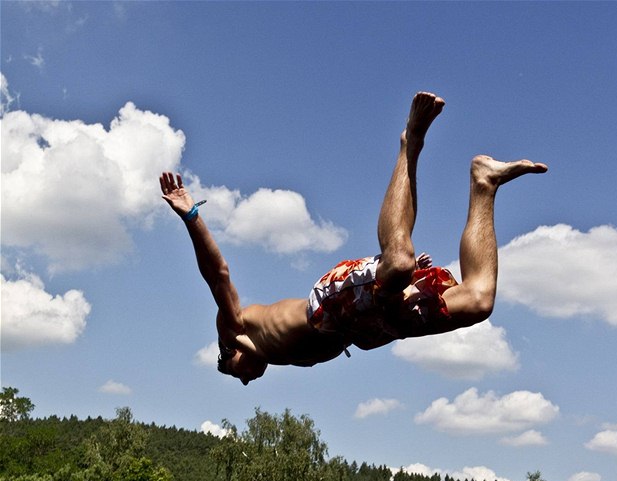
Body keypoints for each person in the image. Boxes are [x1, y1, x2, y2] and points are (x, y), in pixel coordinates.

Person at [160, 92, 547, 385]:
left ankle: (410, 142)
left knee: (398, 262)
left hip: (330, 303)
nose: (246, 380)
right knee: (478, 301)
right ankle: (485, 184)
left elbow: (219, 274)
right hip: (369, 326)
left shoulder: (237, 330)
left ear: (228, 354)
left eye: (235, 375)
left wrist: (191, 215)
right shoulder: (277, 356)